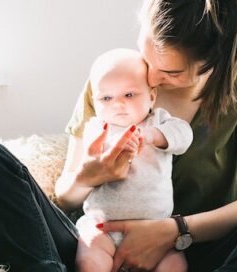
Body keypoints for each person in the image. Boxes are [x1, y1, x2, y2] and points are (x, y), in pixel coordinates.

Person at [0, 0, 237, 271]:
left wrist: (174, 232)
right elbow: (65, 198)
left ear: (214, 63)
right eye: (148, 58)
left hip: (195, 255)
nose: (152, 78)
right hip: (96, 249)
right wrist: (90, 176)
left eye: (171, 73)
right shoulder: (113, 84)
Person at [74, 48, 191, 272]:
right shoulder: (97, 127)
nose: (117, 104)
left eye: (129, 95)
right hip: (103, 227)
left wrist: (154, 136)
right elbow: (88, 161)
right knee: (88, 260)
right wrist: (96, 151)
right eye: (106, 98)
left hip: (155, 231)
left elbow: (184, 135)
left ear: (152, 96)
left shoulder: (157, 121)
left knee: (175, 265)